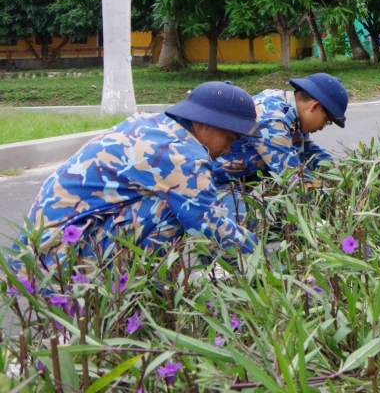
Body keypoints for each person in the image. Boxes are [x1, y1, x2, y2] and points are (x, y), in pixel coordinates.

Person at [17, 82, 261, 271]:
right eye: (230, 139)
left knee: (184, 205)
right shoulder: (182, 155)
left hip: (42, 247)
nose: (227, 151)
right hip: (58, 259)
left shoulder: (153, 124)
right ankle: (129, 292)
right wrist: (269, 267)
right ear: (207, 124)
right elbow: (210, 226)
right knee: (176, 211)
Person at [212, 73, 348, 187]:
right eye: (326, 121)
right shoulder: (272, 117)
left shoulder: (290, 113)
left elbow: (311, 152)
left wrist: (345, 175)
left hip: (237, 182)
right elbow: (293, 177)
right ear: (315, 107)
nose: (321, 128)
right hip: (211, 183)